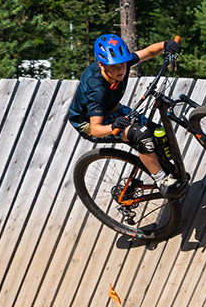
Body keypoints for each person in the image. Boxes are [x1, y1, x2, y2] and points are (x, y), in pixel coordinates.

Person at [65, 33, 182, 194]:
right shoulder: (96, 89)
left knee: (157, 132)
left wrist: (165, 44)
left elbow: (147, 52)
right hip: (90, 123)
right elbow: (96, 130)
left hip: (114, 110)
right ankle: (161, 180)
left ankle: (167, 170)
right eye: (114, 67)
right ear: (101, 65)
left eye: (123, 65)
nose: (120, 70)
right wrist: (113, 125)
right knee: (141, 134)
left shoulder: (121, 62)